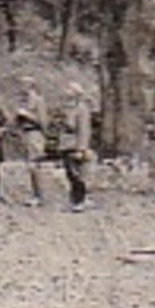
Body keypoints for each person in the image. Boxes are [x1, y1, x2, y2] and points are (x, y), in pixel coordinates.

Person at [15, 78, 50, 207]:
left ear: (30, 86)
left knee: (34, 165)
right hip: (25, 134)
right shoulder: (23, 102)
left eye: (23, 85)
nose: (20, 87)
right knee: (30, 166)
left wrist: (27, 114)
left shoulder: (39, 100)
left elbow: (43, 122)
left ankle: (39, 196)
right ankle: (35, 194)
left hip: (35, 134)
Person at [61, 80, 93, 211]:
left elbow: (84, 129)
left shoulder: (81, 108)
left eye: (69, 90)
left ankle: (80, 200)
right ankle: (74, 200)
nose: (66, 92)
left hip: (75, 144)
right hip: (66, 144)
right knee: (69, 173)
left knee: (78, 174)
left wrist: (82, 148)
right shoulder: (67, 107)